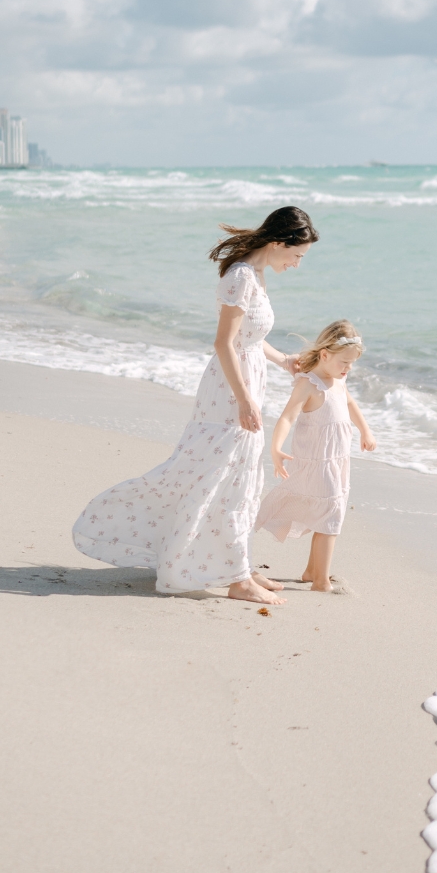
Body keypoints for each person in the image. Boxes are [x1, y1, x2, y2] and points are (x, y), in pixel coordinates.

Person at [71, 205, 318, 605]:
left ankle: (238, 566)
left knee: (239, 478)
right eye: (297, 255)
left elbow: (249, 339)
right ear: (278, 243)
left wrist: (283, 360)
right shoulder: (241, 277)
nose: (297, 264)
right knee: (222, 476)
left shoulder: (255, 275)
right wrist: (244, 401)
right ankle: (236, 578)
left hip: (246, 378)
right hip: (231, 390)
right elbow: (223, 343)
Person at [256, 319, 376, 592]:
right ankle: (321, 581)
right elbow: (288, 416)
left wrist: (365, 431)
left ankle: (312, 571)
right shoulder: (309, 384)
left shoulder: (337, 382)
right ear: (325, 355)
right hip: (317, 465)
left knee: (330, 515)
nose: (348, 369)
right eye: (344, 362)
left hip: (338, 462)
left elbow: (351, 404)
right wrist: (275, 448)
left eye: (352, 364)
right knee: (330, 518)